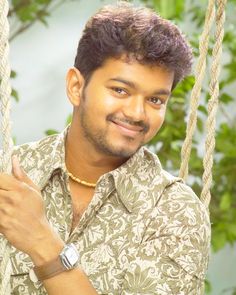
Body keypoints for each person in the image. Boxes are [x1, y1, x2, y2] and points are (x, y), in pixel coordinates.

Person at [0, 2, 211, 294]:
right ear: (76, 86)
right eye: (120, 90)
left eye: (155, 100)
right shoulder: (10, 173)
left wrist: (41, 241)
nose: (137, 113)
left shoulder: (176, 213)